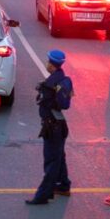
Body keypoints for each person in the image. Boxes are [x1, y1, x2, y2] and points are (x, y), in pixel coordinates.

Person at [26, 49, 72, 205]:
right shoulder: (64, 80)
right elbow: (66, 104)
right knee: (59, 156)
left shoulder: (49, 85)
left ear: (52, 65)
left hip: (51, 128)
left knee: (51, 161)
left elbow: (44, 102)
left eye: (47, 62)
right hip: (60, 126)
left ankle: (43, 195)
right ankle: (63, 185)